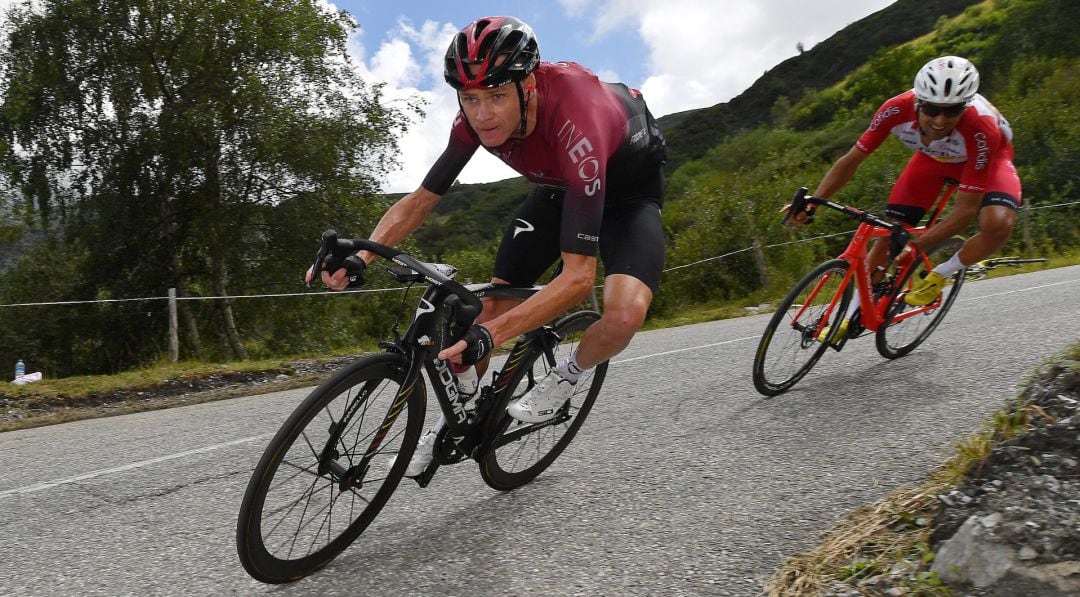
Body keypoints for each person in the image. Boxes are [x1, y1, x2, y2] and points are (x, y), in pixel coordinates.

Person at [310, 16, 667, 477]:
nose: (483, 114)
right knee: (489, 305)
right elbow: (421, 200)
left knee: (622, 316)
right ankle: (454, 421)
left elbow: (578, 278)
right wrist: (363, 254)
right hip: (560, 190)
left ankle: (566, 376)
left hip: (626, 196)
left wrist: (493, 337)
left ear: (529, 85)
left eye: (497, 96)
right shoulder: (474, 121)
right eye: (471, 98)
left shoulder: (577, 119)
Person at [789, 55, 1021, 341]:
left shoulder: (981, 128)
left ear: (966, 106)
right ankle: (851, 315)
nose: (939, 120)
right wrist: (814, 200)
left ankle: (941, 274)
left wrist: (918, 247)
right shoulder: (894, 109)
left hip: (989, 160)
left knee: (998, 224)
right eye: (932, 109)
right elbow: (851, 161)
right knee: (889, 233)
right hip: (933, 160)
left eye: (952, 112)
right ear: (918, 103)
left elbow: (964, 212)